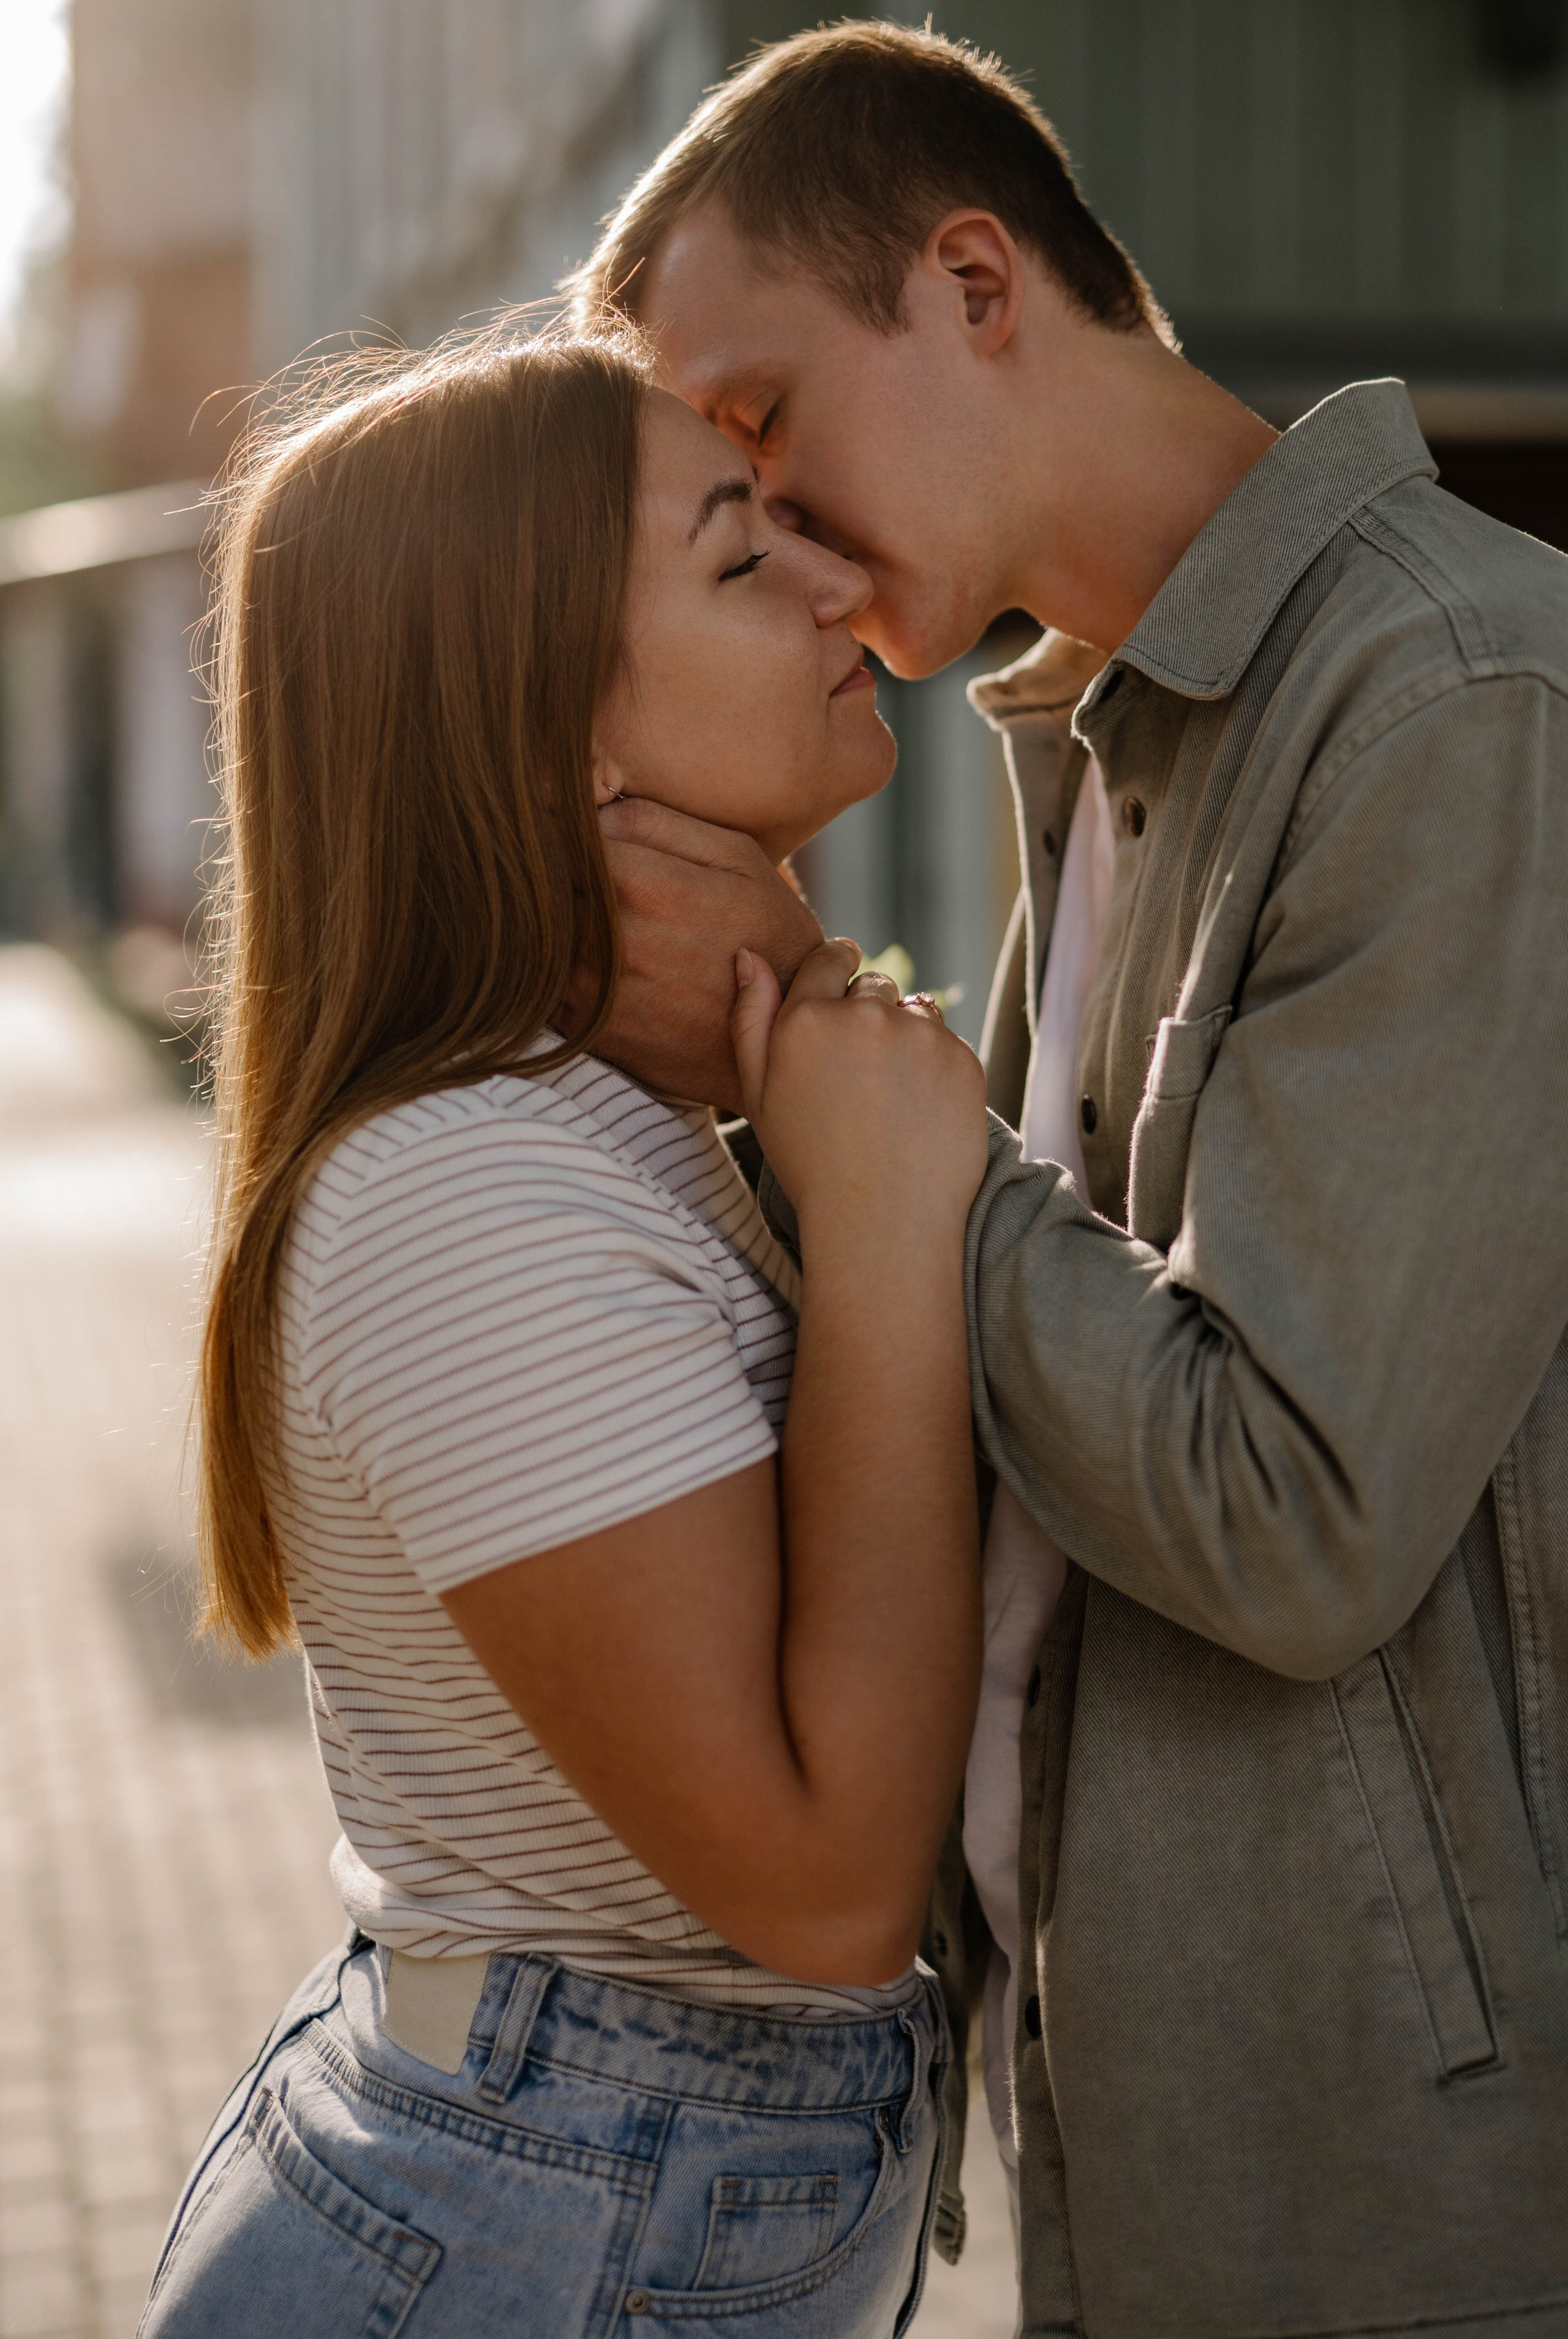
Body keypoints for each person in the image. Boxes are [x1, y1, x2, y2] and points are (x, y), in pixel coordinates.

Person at [570, 23, 1568, 2336]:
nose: (776, 532)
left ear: (972, 281)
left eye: (756, 422)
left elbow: (1286, 1504)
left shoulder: (1459, 707)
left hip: (1504, 2225)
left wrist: (876, 1117)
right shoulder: (1136, 751)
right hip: (1201, 2177)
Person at [139, 321, 989, 2339]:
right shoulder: (471, 1197)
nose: (836, 581)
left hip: (576, 2209)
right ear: (553, 742)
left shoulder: (613, 1115)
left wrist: (805, 1013)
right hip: (533, 2240)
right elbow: (827, 1886)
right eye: (736, 555)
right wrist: (880, 1222)